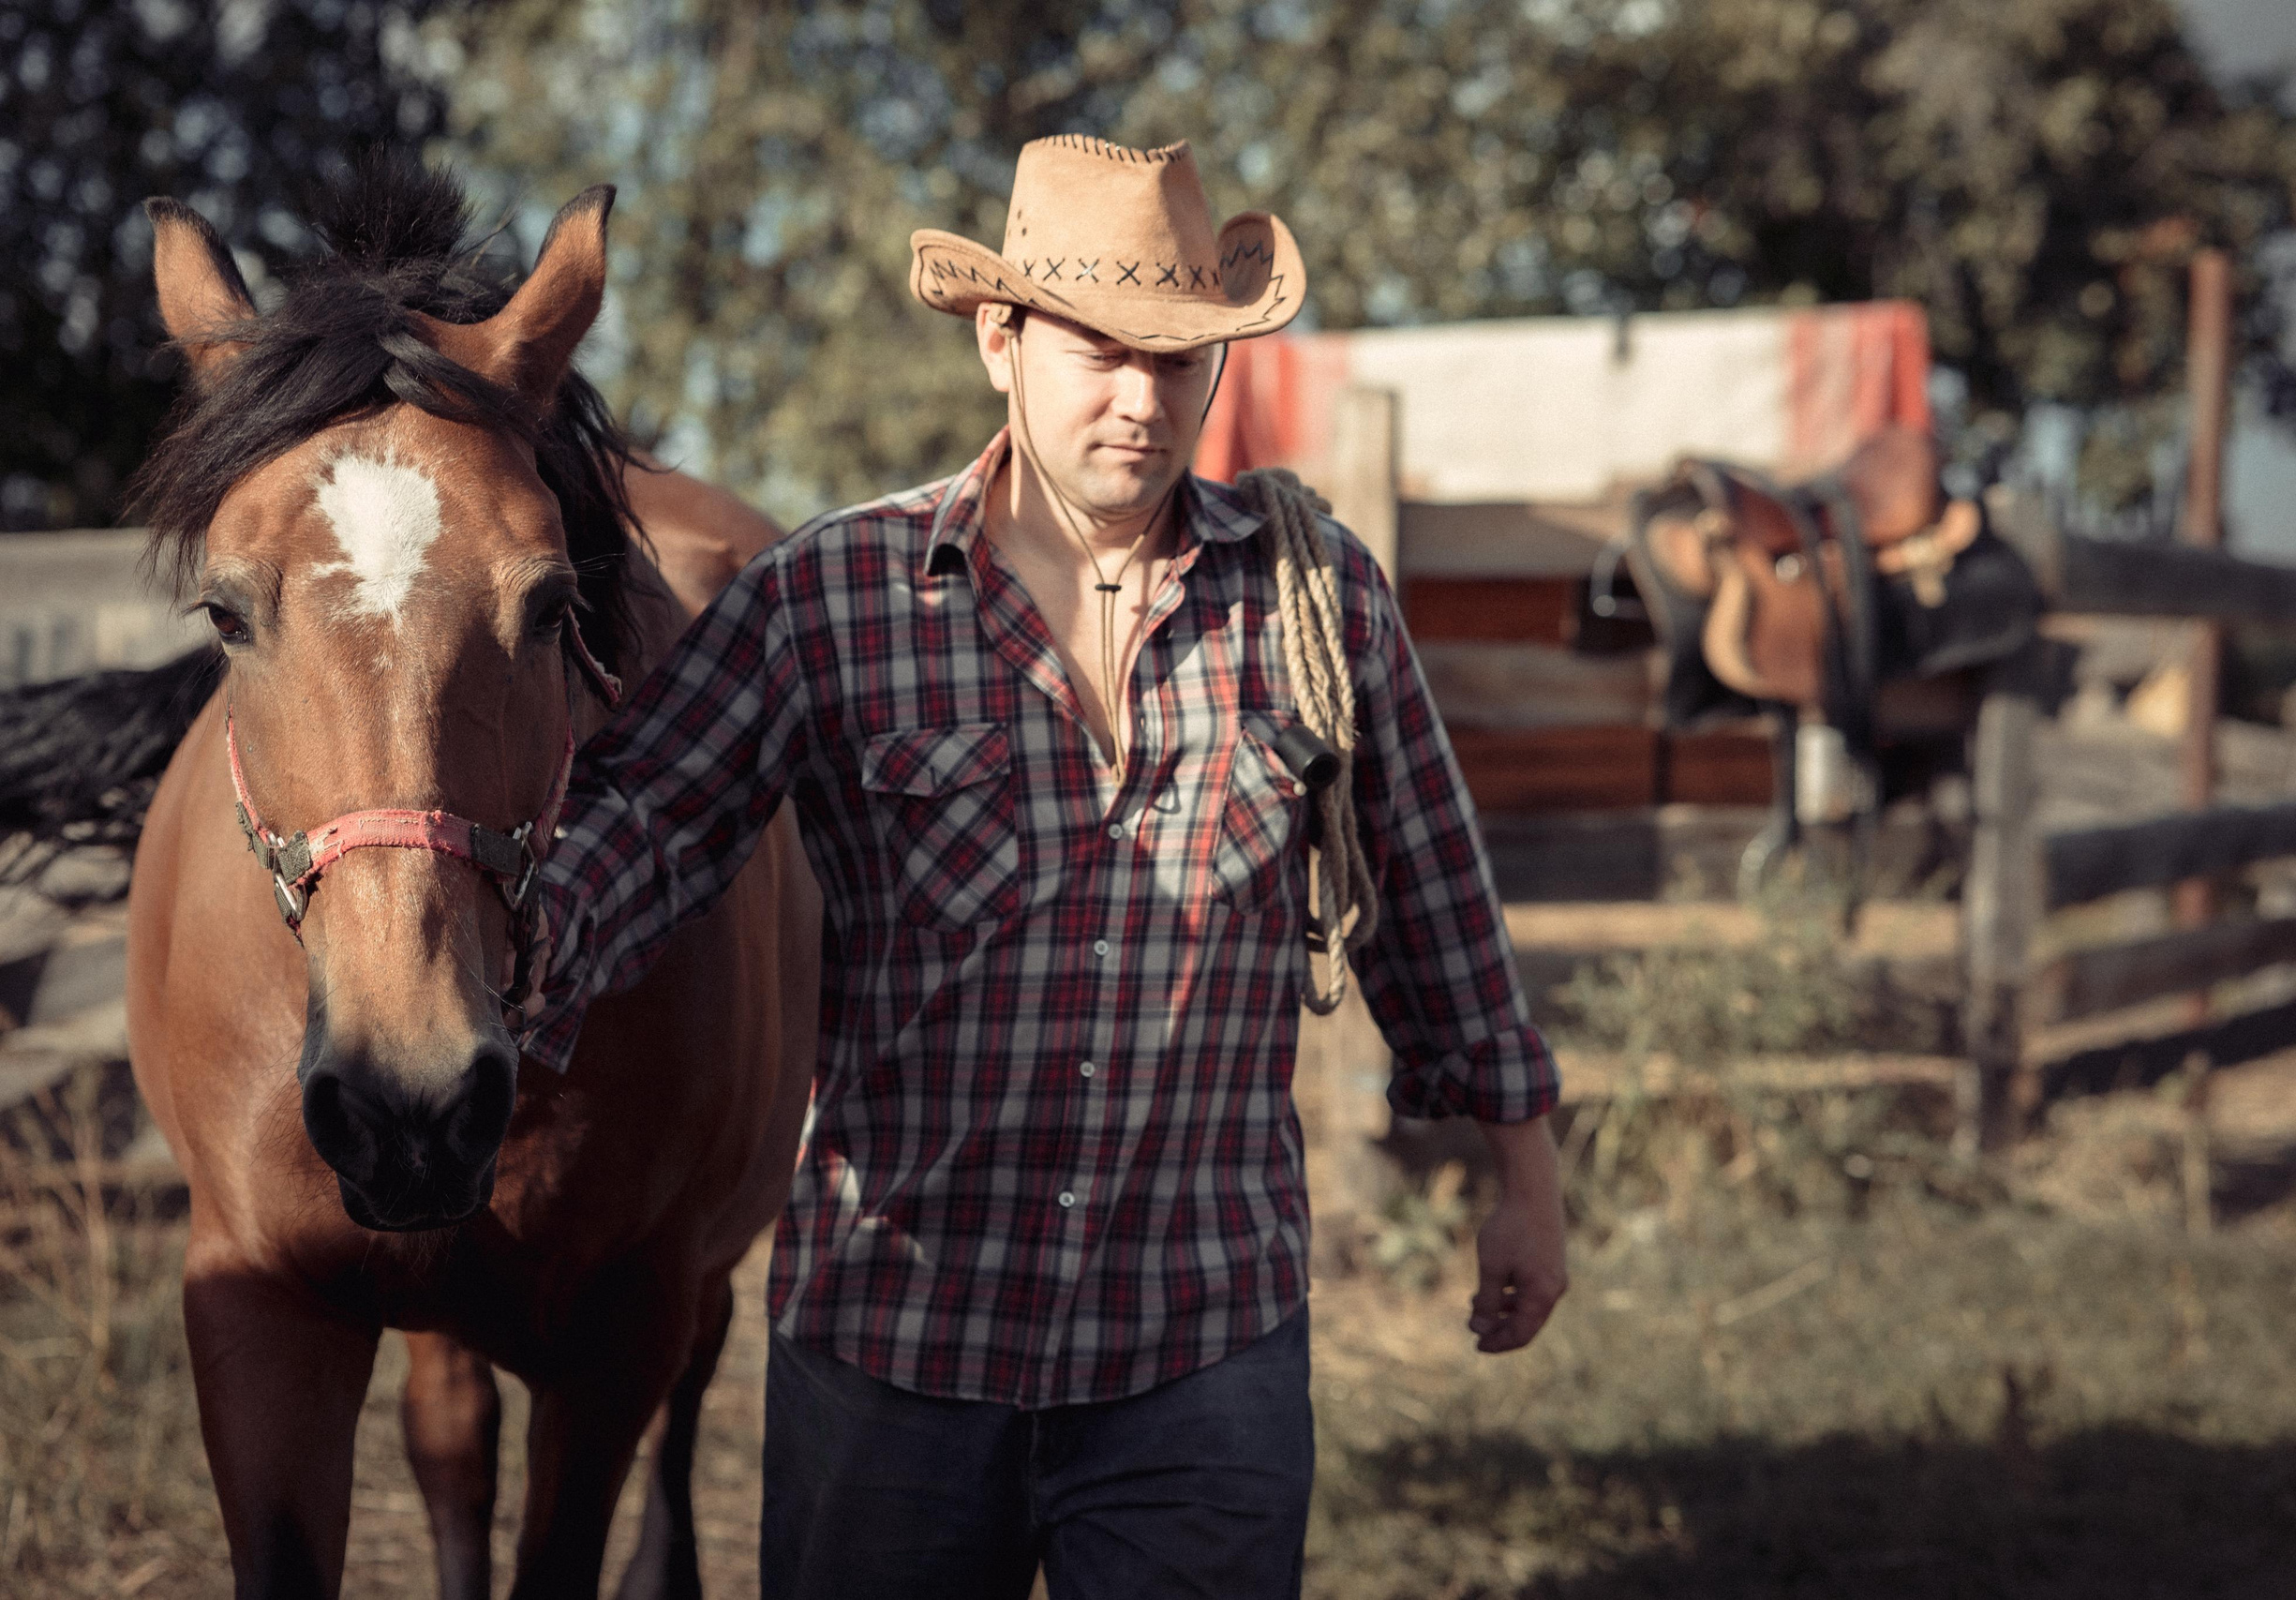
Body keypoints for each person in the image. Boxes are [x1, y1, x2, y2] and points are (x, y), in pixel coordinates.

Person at [523, 133, 1567, 1600]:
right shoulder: (831, 600)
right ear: (1000, 342)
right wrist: (454, 966)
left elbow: (1434, 898)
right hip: (898, 1351)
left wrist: (1525, 1174)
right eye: (1099, 352)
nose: (1144, 401)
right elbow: (639, 832)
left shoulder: (1313, 604)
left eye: (1181, 362)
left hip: (1200, 1353)